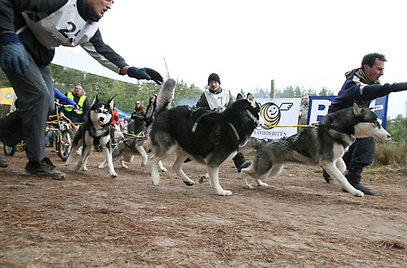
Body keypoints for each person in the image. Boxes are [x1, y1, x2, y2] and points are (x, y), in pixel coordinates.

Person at [0, 0, 164, 179]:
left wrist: (131, 70)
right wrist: (8, 35)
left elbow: (102, 51)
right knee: (38, 96)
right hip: (15, 41)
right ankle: (37, 161)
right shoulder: (61, 3)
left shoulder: (90, 28)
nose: (110, 5)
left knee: (47, 106)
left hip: (41, 54)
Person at [323, 53, 407, 195]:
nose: (381, 73)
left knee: (357, 141)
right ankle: (353, 180)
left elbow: (374, 91)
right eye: (379, 69)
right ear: (367, 67)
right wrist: (399, 86)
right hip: (336, 123)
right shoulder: (353, 82)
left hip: (352, 122)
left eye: (383, 70)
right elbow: (368, 91)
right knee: (368, 135)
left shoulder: (372, 81)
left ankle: (332, 169)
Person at [195, 73, 251, 172]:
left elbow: (231, 106)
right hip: (212, 122)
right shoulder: (205, 95)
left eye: (215, 82)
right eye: (211, 82)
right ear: (209, 84)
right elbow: (199, 108)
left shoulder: (226, 92)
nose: (213, 84)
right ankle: (191, 155)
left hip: (226, 122)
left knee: (232, 140)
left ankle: (241, 163)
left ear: (219, 83)